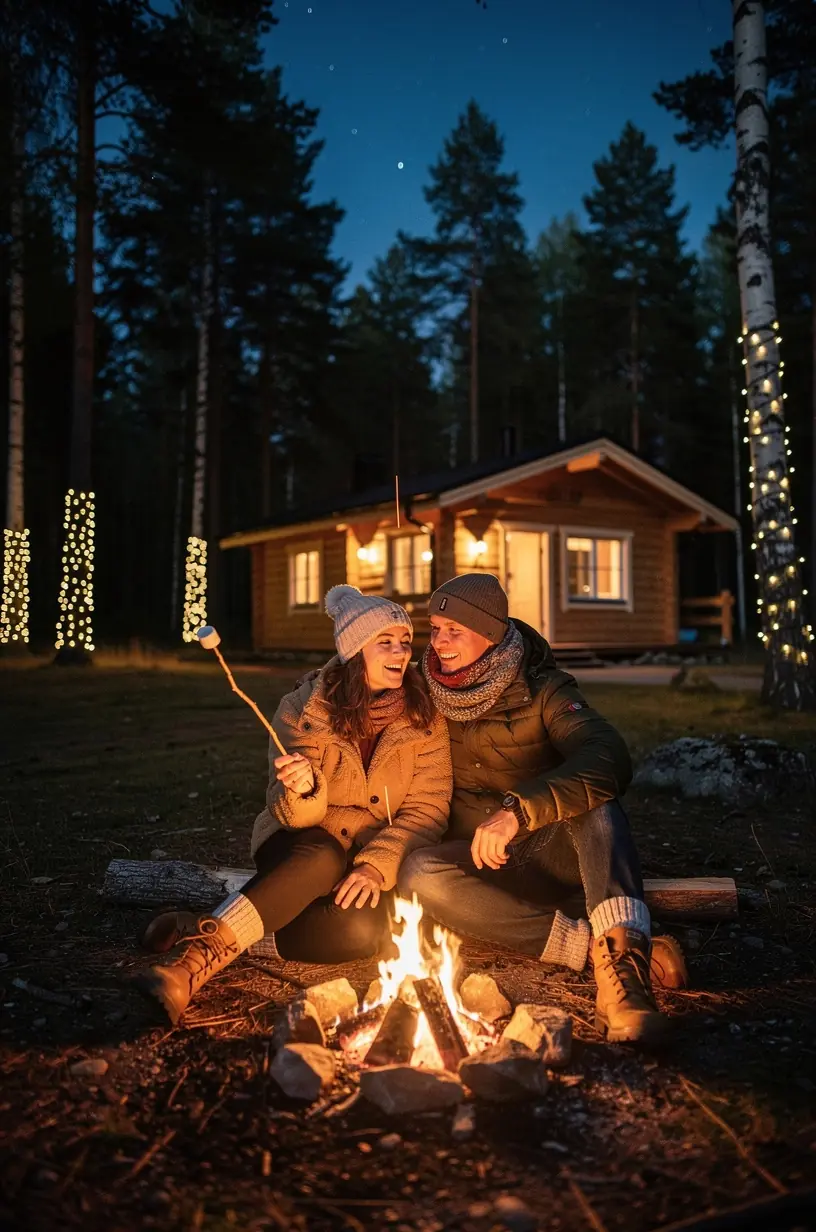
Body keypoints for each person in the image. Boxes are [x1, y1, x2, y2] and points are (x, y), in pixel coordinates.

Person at [135, 585, 452, 1025]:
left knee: (362, 933)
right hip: (302, 842)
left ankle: (202, 922)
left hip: (368, 856)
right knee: (321, 855)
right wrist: (304, 789)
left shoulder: (425, 714)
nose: (400, 652)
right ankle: (188, 969)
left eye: (404, 642)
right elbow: (296, 816)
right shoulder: (304, 710)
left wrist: (377, 864)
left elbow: (429, 807)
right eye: (386, 642)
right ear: (355, 650)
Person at [398, 573, 686, 1045]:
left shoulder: (544, 689)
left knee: (595, 804)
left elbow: (607, 754)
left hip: (553, 849)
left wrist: (519, 810)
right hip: (479, 862)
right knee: (418, 872)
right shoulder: (423, 691)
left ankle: (627, 986)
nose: (440, 642)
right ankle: (593, 950)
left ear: (489, 634)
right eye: (436, 627)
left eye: (455, 630)